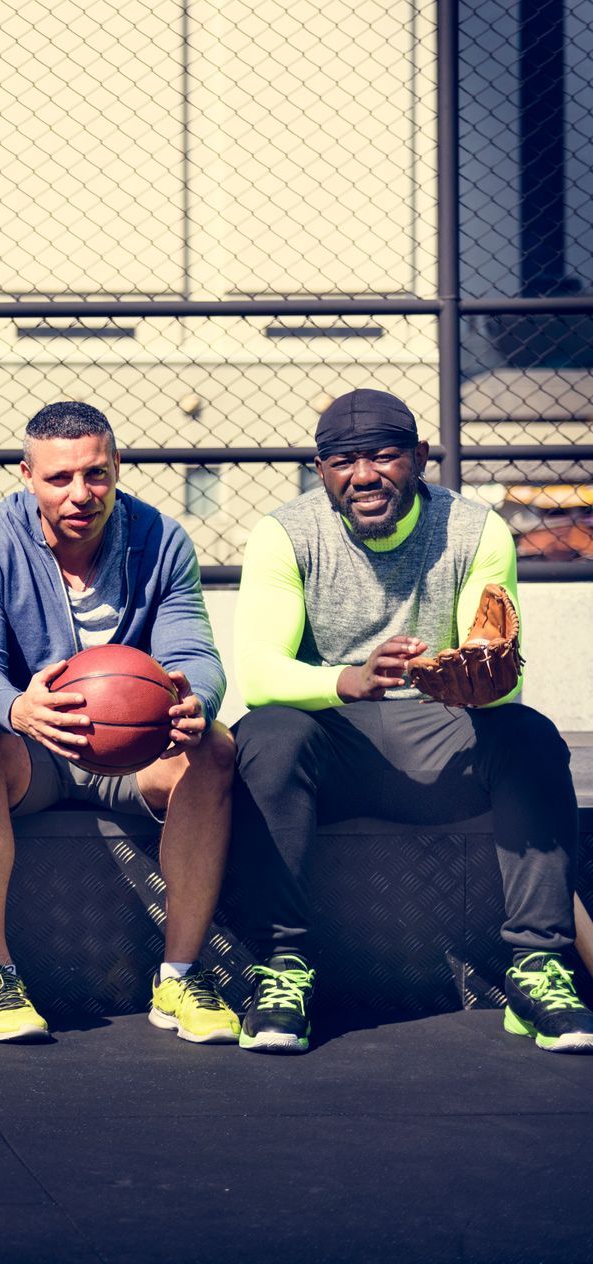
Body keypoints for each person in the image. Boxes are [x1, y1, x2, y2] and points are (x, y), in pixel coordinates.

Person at [225, 388, 591, 1054]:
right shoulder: (286, 532)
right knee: (266, 735)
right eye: (343, 462)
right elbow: (257, 676)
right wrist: (351, 679)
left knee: (531, 736)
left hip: (439, 737)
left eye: (384, 456)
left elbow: (499, 675)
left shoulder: (477, 529)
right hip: (335, 737)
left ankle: (538, 968)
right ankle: (282, 968)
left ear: (419, 457)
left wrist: (477, 679)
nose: (364, 476)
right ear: (320, 470)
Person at [0, 401, 237, 1044]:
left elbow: (195, 657)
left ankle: (181, 975)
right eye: (59, 478)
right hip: (36, 748)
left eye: (96, 474)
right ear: (26, 474)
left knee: (214, 745)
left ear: (117, 467)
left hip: (134, 750)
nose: (82, 493)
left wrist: (196, 701)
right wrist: (17, 708)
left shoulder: (161, 539)